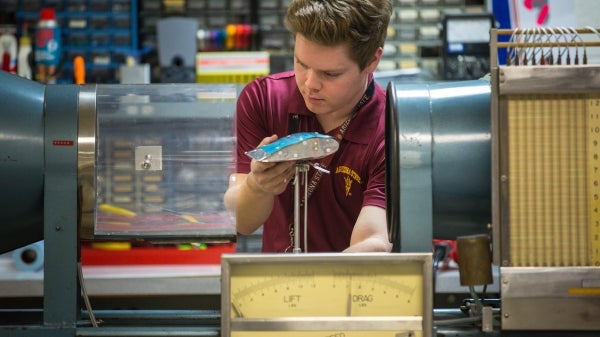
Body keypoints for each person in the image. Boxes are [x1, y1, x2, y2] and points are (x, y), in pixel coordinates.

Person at [224, 0, 393, 253]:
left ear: (372, 60)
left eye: (330, 74)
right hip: (275, 285)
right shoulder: (263, 99)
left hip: (353, 284)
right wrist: (256, 186)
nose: (310, 84)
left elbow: (372, 241)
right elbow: (243, 223)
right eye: (301, 64)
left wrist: (317, 286)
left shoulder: (390, 128)